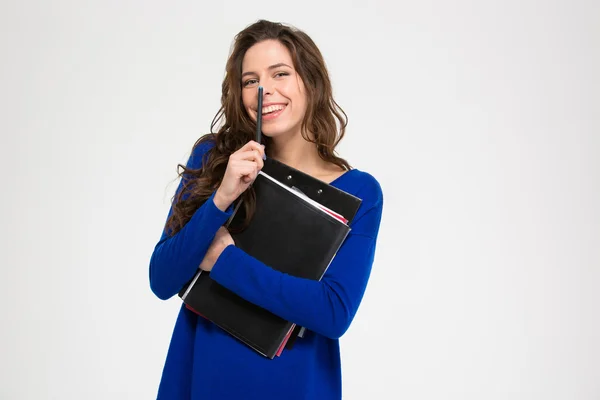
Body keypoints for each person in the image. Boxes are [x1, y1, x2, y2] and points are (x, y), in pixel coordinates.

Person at [149, 19, 384, 400]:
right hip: (202, 376)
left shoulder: (359, 191)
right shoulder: (214, 158)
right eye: (250, 80)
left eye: (280, 74)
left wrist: (226, 261)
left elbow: (332, 311)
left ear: (310, 81)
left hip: (295, 383)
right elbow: (162, 279)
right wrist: (220, 200)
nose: (265, 90)